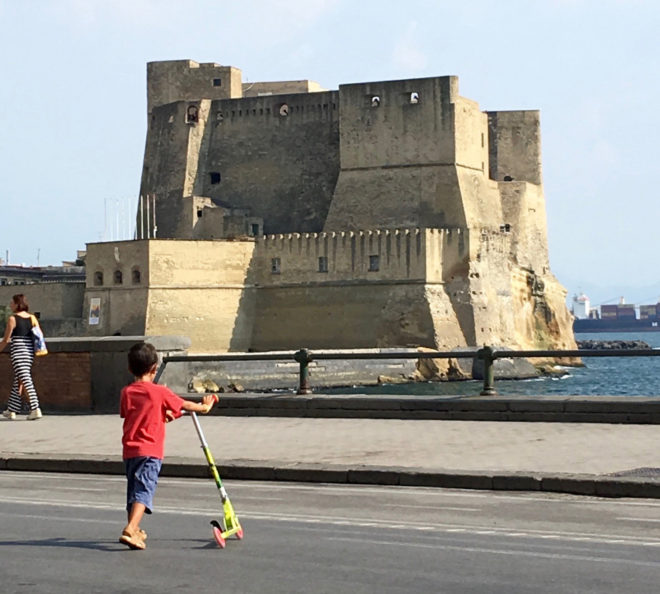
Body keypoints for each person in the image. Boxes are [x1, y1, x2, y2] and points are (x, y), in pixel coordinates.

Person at [119, 341, 217, 550]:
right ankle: (130, 528)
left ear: (130, 369)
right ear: (155, 369)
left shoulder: (126, 392)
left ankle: (135, 529)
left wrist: (163, 416)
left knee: (133, 491)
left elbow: (133, 415)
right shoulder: (159, 392)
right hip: (151, 450)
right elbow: (184, 404)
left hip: (130, 450)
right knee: (144, 490)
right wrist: (204, 407)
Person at [1, 294, 42, 420]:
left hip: (18, 352)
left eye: (12, 303)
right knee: (19, 379)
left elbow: (6, 339)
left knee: (25, 379)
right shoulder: (32, 318)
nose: (10, 305)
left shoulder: (12, 319)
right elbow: (38, 335)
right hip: (29, 352)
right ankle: (11, 409)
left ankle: (35, 408)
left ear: (17, 304)